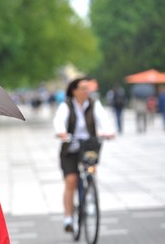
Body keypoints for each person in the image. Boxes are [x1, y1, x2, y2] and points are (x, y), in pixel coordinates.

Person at [53, 78, 114, 233]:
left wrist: (108, 131)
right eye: (82, 88)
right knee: (71, 180)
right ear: (74, 90)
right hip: (70, 148)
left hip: (88, 146)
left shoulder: (94, 104)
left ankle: (90, 198)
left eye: (88, 88)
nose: (86, 91)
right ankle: (68, 217)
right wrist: (61, 132)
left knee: (91, 171)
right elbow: (59, 120)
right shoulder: (66, 105)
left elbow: (103, 119)